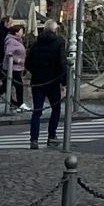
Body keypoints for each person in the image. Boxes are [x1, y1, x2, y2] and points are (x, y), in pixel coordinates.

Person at [26, 20, 67, 149]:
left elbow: (28, 63)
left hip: (38, 81)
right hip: (53, 81)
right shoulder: (59, 43)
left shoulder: (36, 43)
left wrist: (35, 71)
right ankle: (51, 136)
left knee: (37, 111)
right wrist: (64, 81)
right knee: (56, 109)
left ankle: (34, 139)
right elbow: (62, 63)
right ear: (55, 30)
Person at [3, 24, 26, 111]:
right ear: (16, 32)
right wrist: (18, 60)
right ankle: (20, 103)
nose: (22, 32)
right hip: (12, 68)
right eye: (21, 31)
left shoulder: (18, 40)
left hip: (17, 67)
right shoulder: (11, 41)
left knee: (7, 85)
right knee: (18, 85)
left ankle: (12, 102)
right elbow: (8, 53)